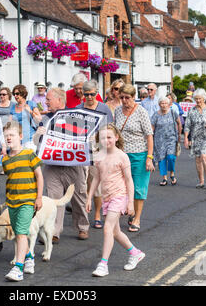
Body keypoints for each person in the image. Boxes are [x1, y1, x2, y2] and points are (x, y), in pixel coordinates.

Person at [86, 124, 145, 277]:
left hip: (119, 196)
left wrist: (130, 202)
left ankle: (103, 264)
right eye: (103, 138)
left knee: (107, 228)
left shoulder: (122, 156)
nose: (107, 141)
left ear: (116, 138)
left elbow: (129, 180)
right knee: (116, 232)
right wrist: (89, 197)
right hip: (107, 198)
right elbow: (96, 178)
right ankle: (135, 253)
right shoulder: (99, 156)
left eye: (110, 137)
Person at [33, 88, 90, 241]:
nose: (45, 102)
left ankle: (82, 227)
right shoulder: (46, 119)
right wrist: (39, 134)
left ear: (59, 100)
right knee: (53, 199)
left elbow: (85, 137)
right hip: (52, 166)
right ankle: (53, 232)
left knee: (79, 197)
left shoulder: (75, 117)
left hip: (73, 165)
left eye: (48, 100)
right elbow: (36, 143)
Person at [2, 121, 43, 282]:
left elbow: (39, 176)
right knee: (19, 232)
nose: (8, 138)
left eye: (11, 135)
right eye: (6, 136)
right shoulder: (5, 160)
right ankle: (29, 256)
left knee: (21, 233)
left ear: (20, 136)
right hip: (12, 202)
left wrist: (38, 197)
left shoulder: (28, 154)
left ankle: (18, 268)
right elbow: (10, 179)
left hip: (28, 200)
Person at [114, 84, 154, 233]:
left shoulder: (141, 112)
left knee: (138, 187)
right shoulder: (118, 111)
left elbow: (149, 136)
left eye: (127, 98)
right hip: (122, 154)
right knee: (121, 187)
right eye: (122, 97)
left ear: (133, 97)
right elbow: (115, 131)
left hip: (139, 154)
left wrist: (149, 157)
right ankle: (128, 211)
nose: (124, 100)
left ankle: (137, 218)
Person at [76, 80, 113, 229]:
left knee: (96, 184)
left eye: (92, 94)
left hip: (98, 150)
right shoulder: (78, 109)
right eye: (86, 94)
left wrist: (99, 137)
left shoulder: (104, 108)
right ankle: (82, 217)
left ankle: (97, 214)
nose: (90, 97)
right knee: (81, 185)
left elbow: (110, 129)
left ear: (97, 93)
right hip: (81, 151)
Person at [183, 88, 206, 190]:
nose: (198, 101)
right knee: (198, 159)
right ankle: (201, 181)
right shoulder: (191, 111)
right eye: (196, 99)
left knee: (204, 155)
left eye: (200, 98)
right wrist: (185, 138)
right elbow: (187, 125)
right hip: (195, 137)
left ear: (204, 98)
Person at [151, 97, 182, 186]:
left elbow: (179, 123)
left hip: (171, 139)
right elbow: (152, 128)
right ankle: (164, 178)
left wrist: (179, 134)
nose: (163, 105)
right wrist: (149, 139)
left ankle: (172, 173)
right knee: (161, 159)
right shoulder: (156, 115)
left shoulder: (173, 112)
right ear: (159, 104)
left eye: (165, 103)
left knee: (171, 157)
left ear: (168, 104)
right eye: (162, 103)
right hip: (159, 140)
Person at [8, 85, 40, 150]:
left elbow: (39, 119)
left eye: (17, 94)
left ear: (23, 94)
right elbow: (10, 124)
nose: (15, 96)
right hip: (18, 140)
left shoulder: (31, 104)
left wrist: (30, 111)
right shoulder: (13, 108)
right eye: (14, 94)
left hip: (30, 139)